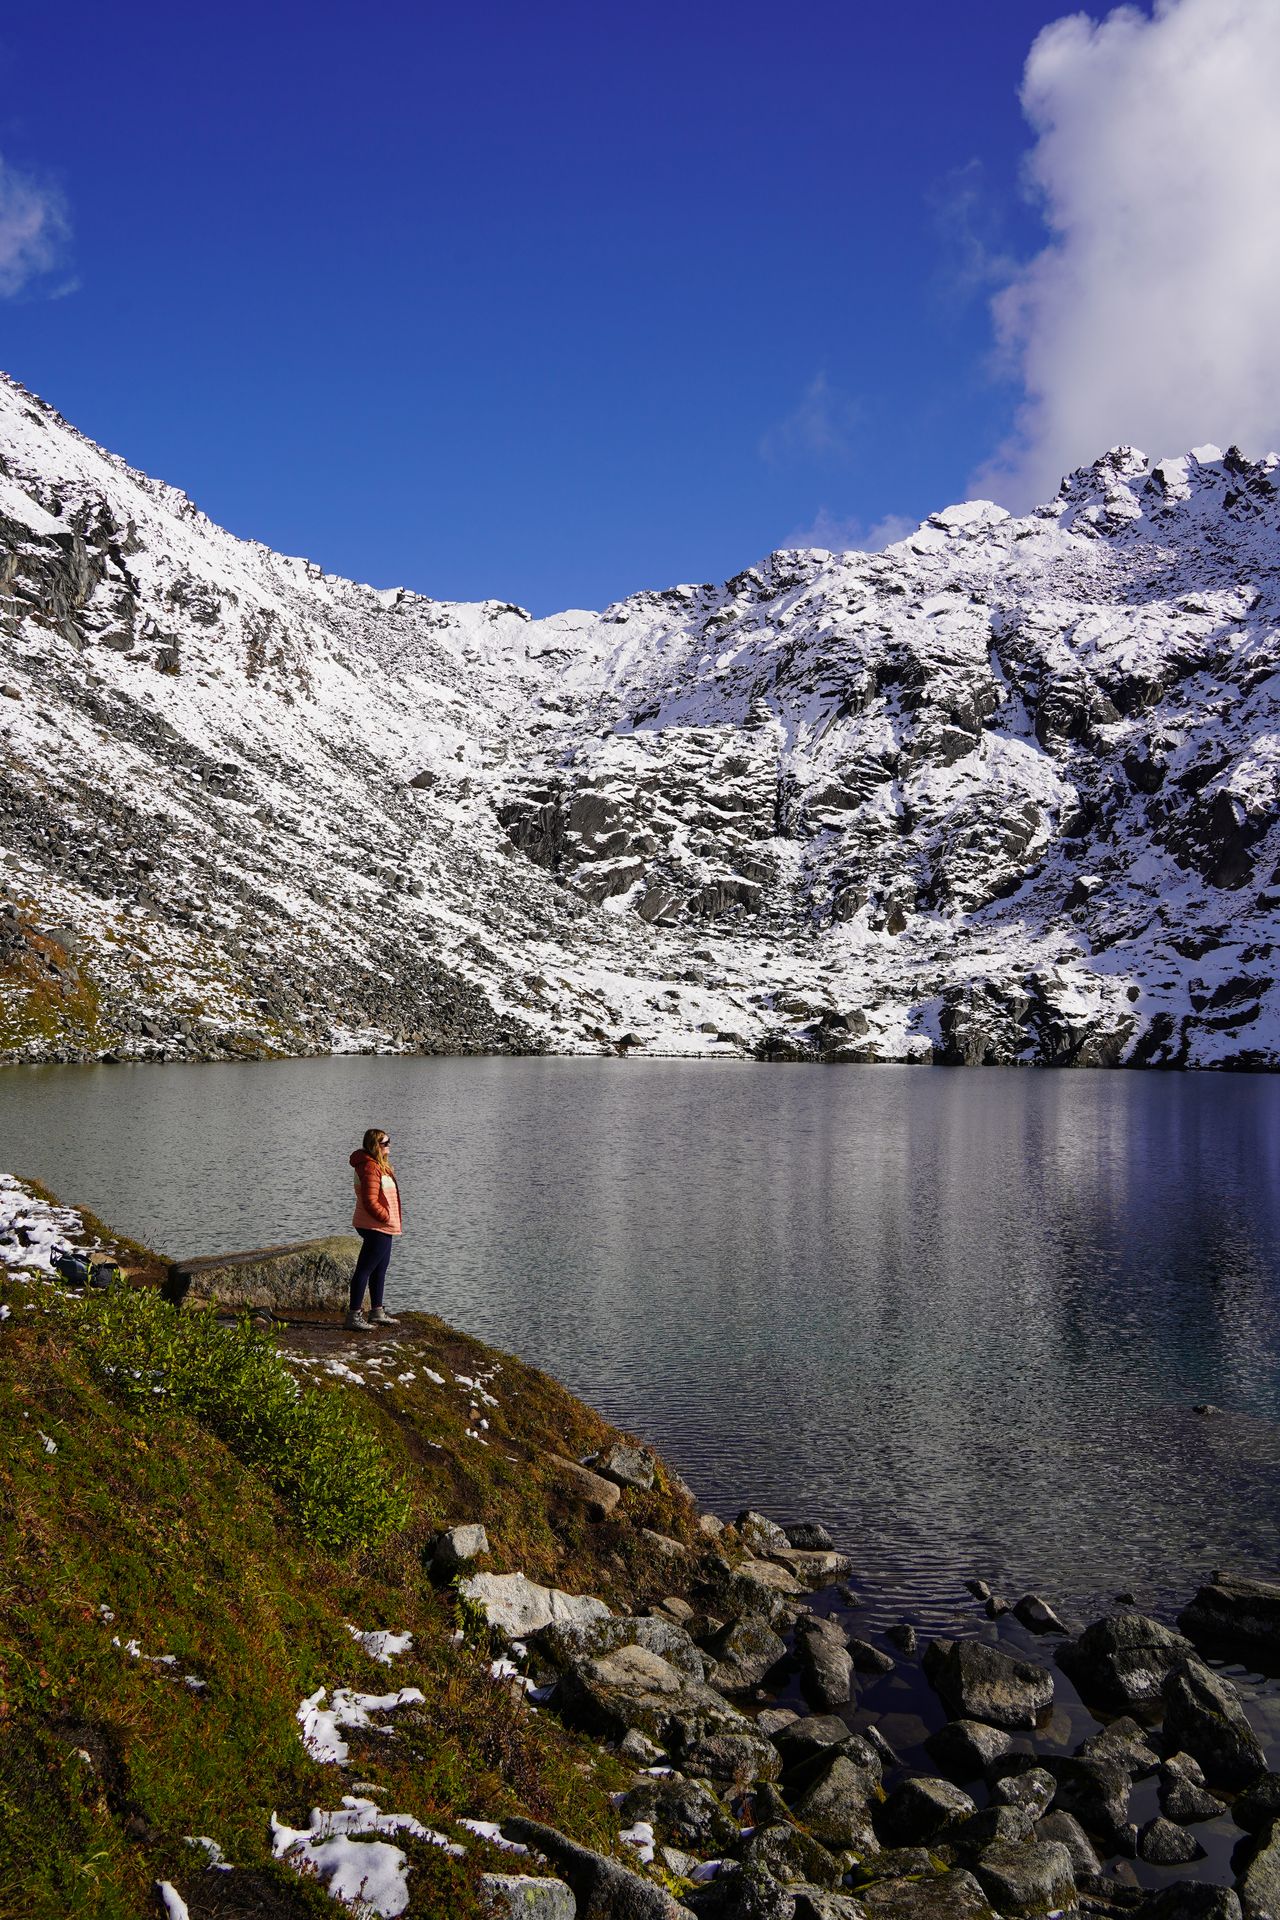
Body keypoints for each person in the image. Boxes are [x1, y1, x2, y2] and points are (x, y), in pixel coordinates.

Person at [346, 1128, 402, 1331]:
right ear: (375, 1145)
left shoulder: (379, 1166)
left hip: (382, 1226)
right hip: (376, 1225)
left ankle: (376, 1311)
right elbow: (370, 1201)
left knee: (380, 1268)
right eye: (385, 1143)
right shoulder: (370, 1167)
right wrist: (385, 1216)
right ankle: (354, 1316)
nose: (389, 1146)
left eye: (389, 1142)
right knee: (365, 1270)